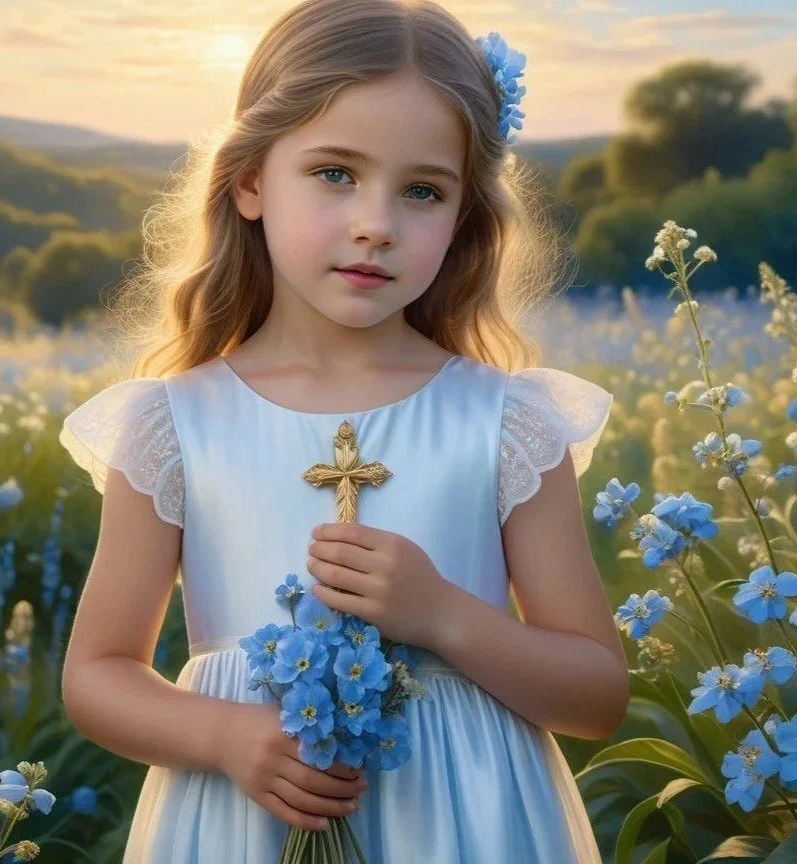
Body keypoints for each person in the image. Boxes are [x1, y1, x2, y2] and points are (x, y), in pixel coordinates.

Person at [58, 1, 627, 861]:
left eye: (423, 191)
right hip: (241, 816)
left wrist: (444, 617)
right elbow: (96, 674)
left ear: (465, 216)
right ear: (250, 181)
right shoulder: (175, 423)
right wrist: (224, 738)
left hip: (469, 828)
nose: (376, 222)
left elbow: (595, 696)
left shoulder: (507, 421)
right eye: (334, 173)